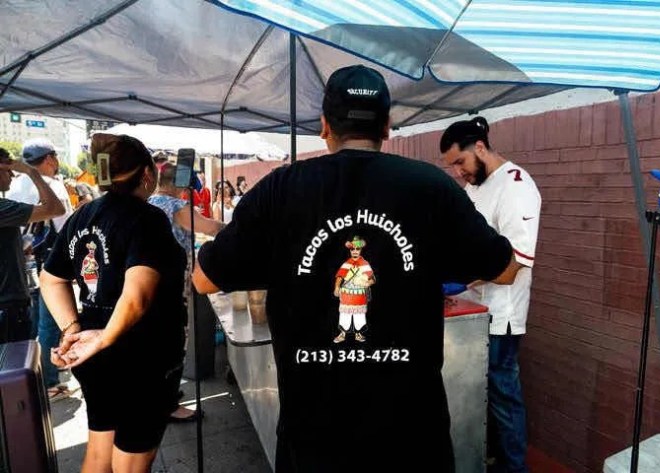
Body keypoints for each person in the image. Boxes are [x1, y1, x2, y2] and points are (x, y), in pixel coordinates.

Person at [193, 65, 521, 473]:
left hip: (315, 438)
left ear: (324, 125)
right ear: (387, 126)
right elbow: (506, 269)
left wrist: (281, 261)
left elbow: (203, 279)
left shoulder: (280, 189)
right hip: (411, 439)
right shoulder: (432, 187)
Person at [39, 133, 186, 473]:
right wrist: (105, 337)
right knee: (131, 462)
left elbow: (51, 278)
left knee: (99, 452)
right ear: (147, 174)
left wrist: (74, 329)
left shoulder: (83, 215)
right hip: (141, 357)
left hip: (95, 354)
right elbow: (138, 295)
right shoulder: (147, 218)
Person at [440, 116, 541, 473]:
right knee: (478, 393)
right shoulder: (475, 187)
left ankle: (515, 468)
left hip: (502, 316)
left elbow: (514, 266)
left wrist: (461, 281)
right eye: (451, 165)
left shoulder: (515, 186)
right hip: (476, 310)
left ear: (479, 148)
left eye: (460, 162)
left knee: (502, 397)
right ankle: (490, 458)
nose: (457, 172)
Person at [148, 162, 225, 422]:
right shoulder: (175, 206)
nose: (186, 191)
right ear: (178, 183)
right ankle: (168, 405)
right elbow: (209, 227)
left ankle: (160, 393)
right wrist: (237, 228)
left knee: (158, 341)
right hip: (171, 284)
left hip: (152, 281)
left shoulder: (149, 202)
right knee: (173, 342)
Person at [7, 138, 74, 401]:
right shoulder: (51, 186)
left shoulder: (14, 186)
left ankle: (29, 374)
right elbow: (65, 225)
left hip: (22, 264)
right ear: (49, 159)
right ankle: (48, 382)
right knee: (50, 323)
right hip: (50, 263)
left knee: (33, 322)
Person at [0, 148, 64, 343]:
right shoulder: (2, 208)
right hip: (8, 305)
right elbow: (55, 209)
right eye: (7, 169)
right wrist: (33, 173)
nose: (12, 174)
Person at [333, 235, 375, 343]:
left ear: (360, 250)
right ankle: (342, 334)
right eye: (353, 249)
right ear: (350, 250)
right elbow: (339, 276)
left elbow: (373, 279)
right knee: (344, 315)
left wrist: (367, 283)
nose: (355, 251)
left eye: (357, 249)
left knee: (359, 315)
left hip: (360, 295)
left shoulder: (365, 264)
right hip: (346, 294)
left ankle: (358, 334)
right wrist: (337, 287)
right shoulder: (346, 264)